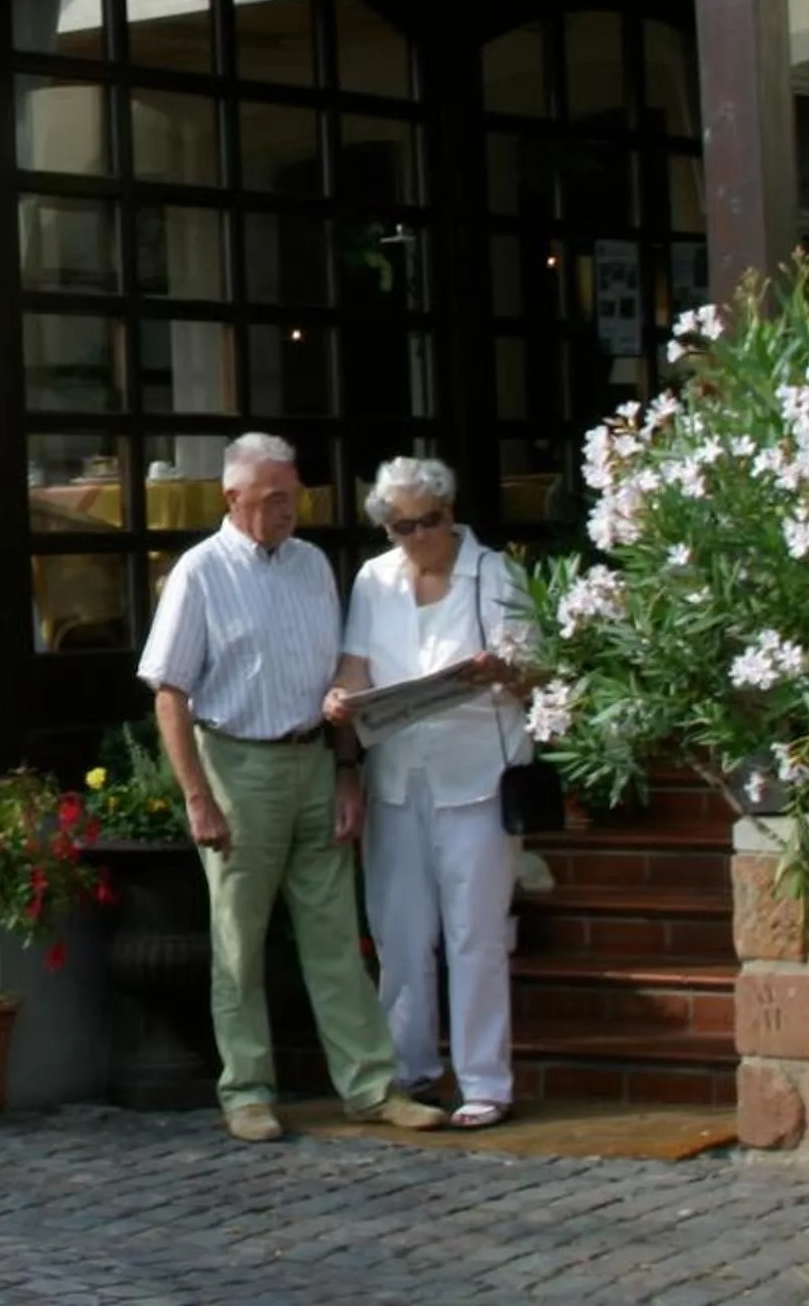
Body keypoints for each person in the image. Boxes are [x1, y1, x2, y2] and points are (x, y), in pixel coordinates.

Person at [136, 431, 447, 1143]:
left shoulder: (311, 566)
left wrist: (345, 768)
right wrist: (197, 796)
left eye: (294, 496)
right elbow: (169, 693)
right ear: (232, 498)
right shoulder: (200, 572)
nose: (288, 511)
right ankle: (246, 1092)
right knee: (238, 942)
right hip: (238, 765)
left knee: (336, 935)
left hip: (312, 758)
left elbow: (341, 676)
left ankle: (370, 1086)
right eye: (274, 499)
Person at [322, 456, 534, 1130]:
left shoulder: (495, 574)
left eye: (426, 523)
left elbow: (538, 679)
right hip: (396, 774)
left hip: (479, 774)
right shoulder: (375, 580)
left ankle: (484, 1081)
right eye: (399, 526)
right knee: (400, 931)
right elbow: (356, 665)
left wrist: (505, 672)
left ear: (450, 514)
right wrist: (341, 703)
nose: (415, 537)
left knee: (476, 932)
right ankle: (408, 1071)